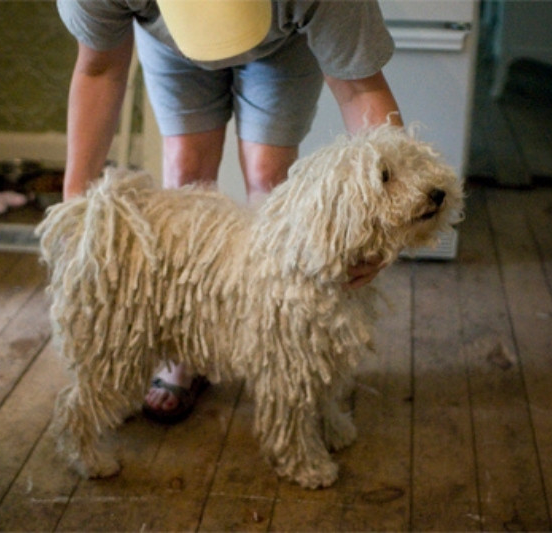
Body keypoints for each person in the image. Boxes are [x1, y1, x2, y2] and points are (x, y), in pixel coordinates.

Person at [57, 0, 403, 423]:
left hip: (282, 45)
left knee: (268, 176)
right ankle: (183, 347)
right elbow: (99, 71)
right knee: (186, 169)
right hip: (169, 40)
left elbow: (360, 89)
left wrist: (390, 220)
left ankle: (275, 344)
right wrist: (73, 205)